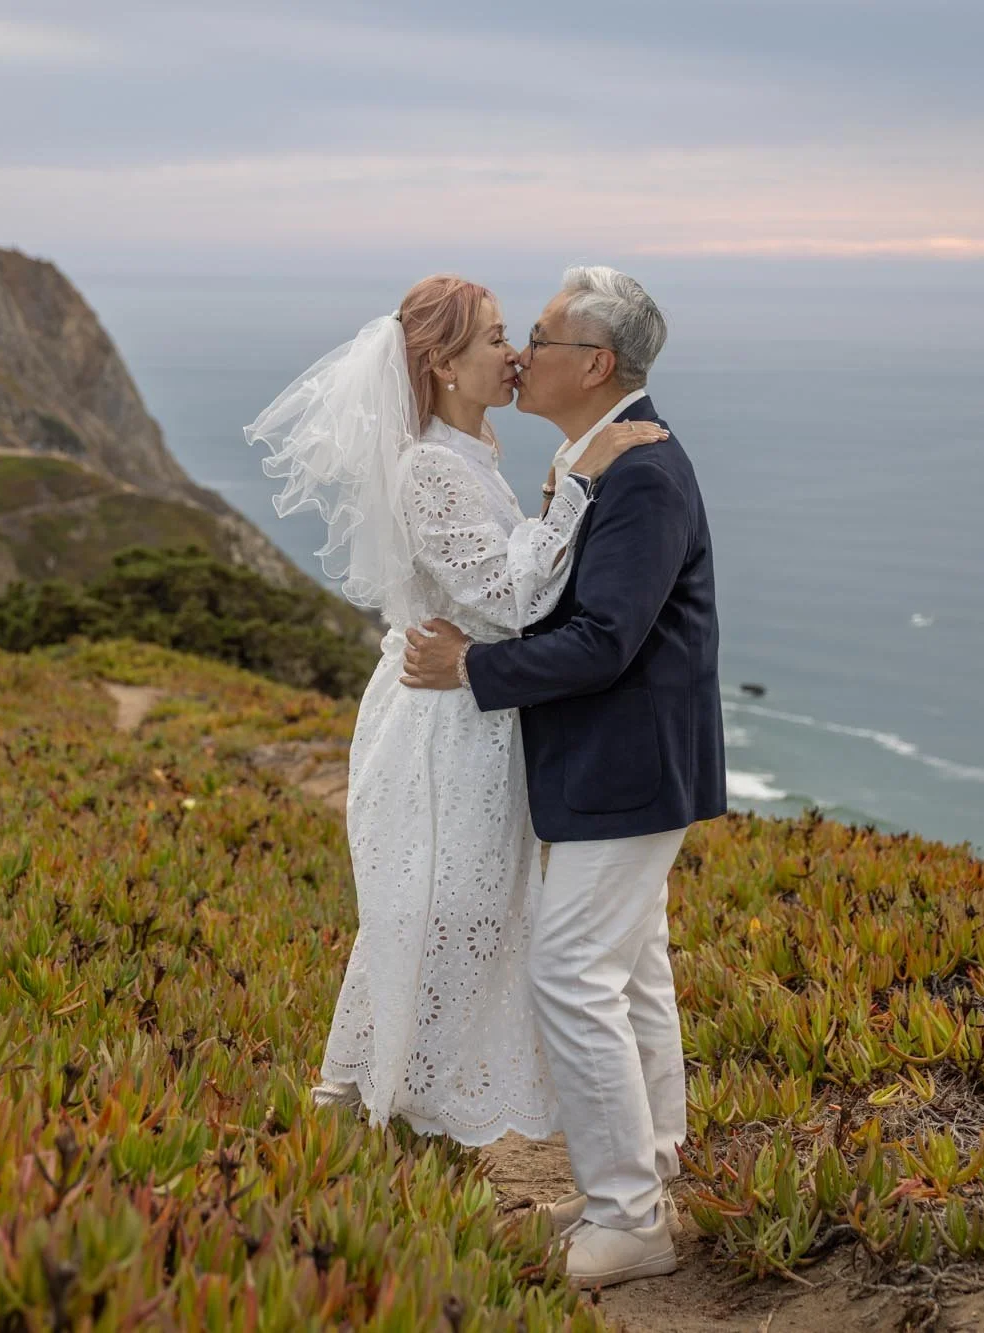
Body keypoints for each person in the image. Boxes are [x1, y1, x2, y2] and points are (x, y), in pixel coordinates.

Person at [246, 275, 665, 1150]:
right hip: (442, 730)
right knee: (442, 914)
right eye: (494, 339)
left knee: (468, 916)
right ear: (441, 364)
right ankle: (400, 1109)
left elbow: (507, 572)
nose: (513, 355)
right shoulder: (431, 467)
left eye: (516, 335)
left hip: (477, 713)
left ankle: (410, 1110)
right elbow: (512, 597)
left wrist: (553, 492)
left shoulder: (476, 454)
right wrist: (580, 483)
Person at [401, 265, 727, 1288]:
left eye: (535, 339)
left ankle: (629, 1215)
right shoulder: (598, 459)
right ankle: (663, 1160)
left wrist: (472, 667)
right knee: (629, 971)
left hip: (626, 766)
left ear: (591, 363)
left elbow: (601, 642)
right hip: (627, 764)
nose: (517, 357)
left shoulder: (637, 471)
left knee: (571, 973)